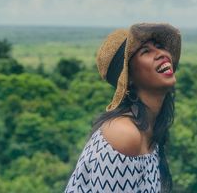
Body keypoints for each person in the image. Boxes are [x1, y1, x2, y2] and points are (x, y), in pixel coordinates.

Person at [64, 22, 181, 193]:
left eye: (159, 46)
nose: (161, 54)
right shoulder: (124, 134)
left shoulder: (149, 131)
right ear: (129, 79)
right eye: (146, 51)